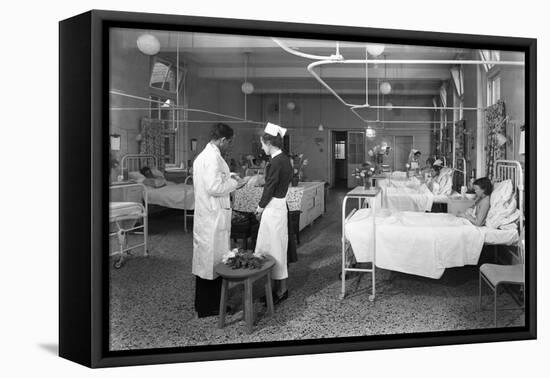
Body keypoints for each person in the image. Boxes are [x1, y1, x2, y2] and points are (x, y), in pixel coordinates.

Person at [192, 123, 246, 318]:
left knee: (208, 262)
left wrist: (229, 176)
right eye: (229, 142)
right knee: (211, 264)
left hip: (209, 217)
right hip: (212, 218)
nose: (229, 146)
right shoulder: (212, 158)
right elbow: (214, 187)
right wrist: (236, 183)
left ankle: (208, 304)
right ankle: (209, 307)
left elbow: (214, 179)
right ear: (222, 140)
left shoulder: (205, 157)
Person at [254, 122, 293, 305]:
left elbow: (269, 187)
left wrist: (260, 207)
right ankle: (274, 289)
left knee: (273, 249)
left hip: (273, 209)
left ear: (269, 143)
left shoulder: (276, 162)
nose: (262, 147)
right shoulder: (285, 159)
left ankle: (281, 291)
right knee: (276, 248)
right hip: (279, 207)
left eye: (262, 144)